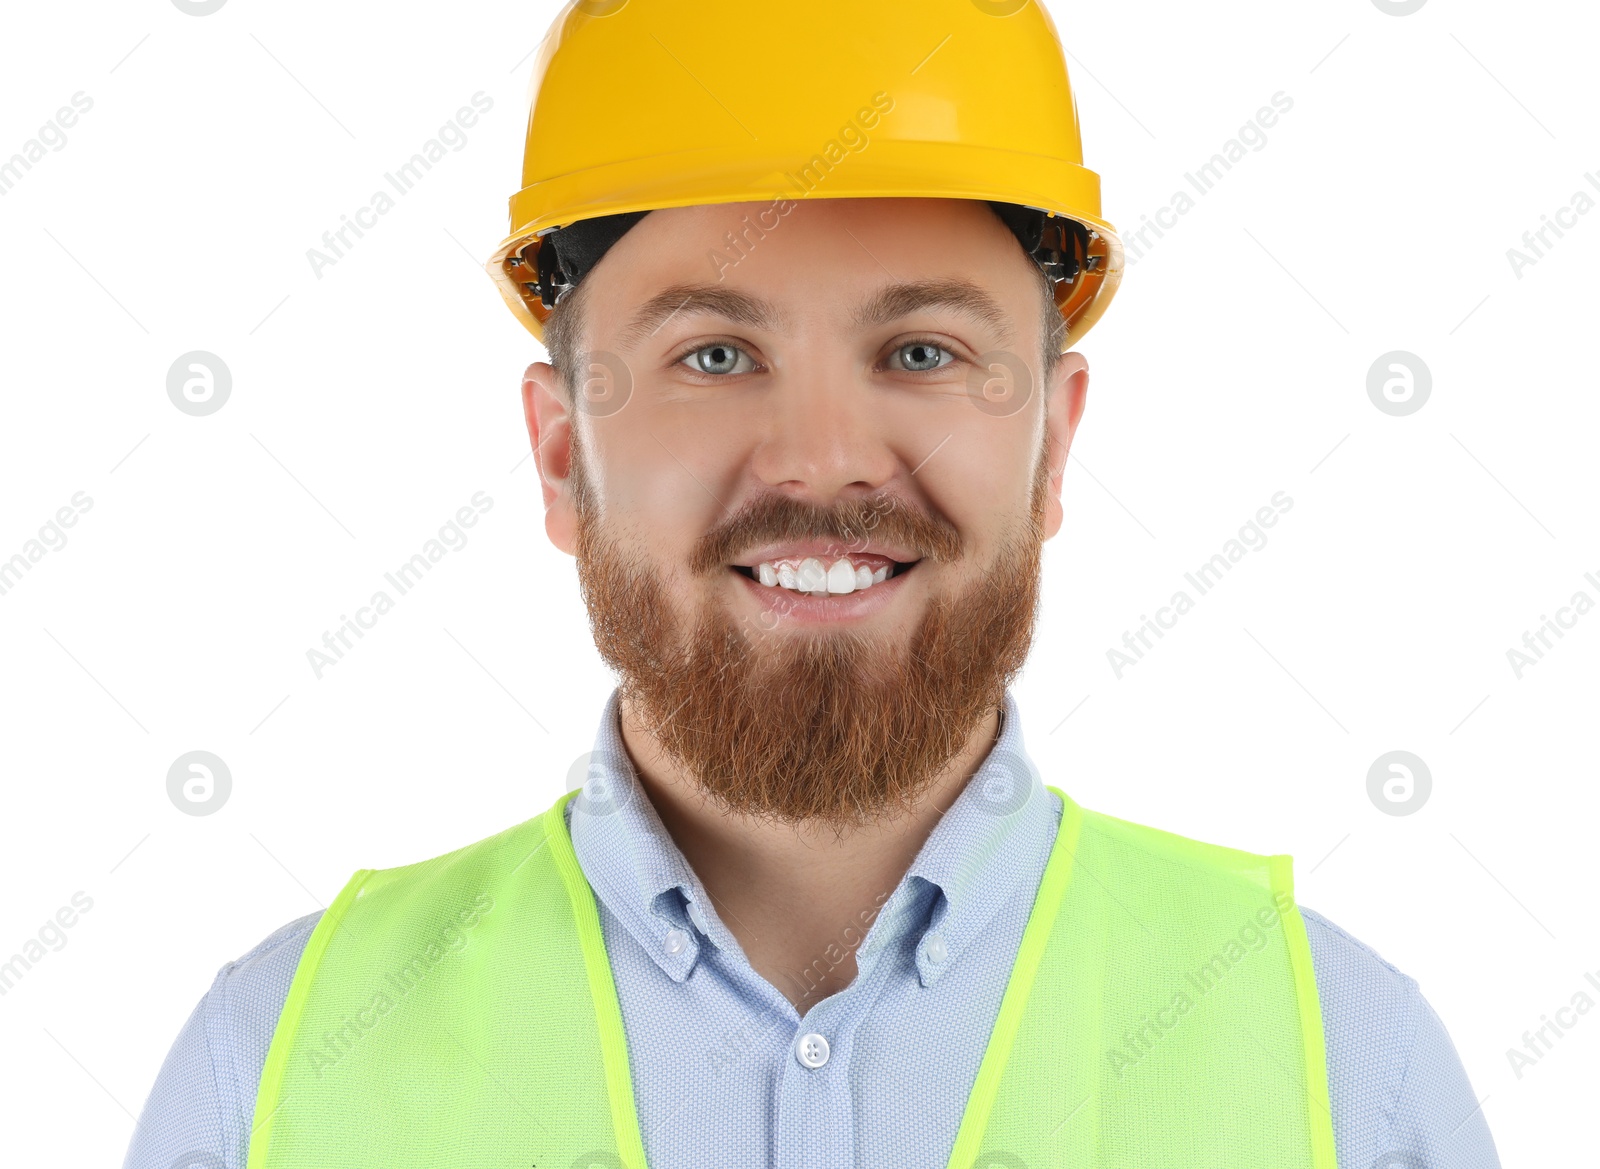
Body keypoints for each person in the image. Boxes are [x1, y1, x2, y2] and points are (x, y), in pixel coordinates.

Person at [126, 2, 1499, 1167]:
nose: (825, 460)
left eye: (920, 352)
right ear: (560, 455)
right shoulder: (272, 1079)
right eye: (715, 354)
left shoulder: (1346, 1070)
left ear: (1054, 443)